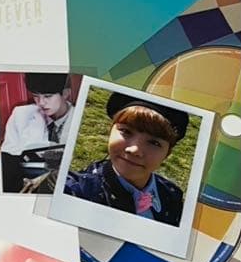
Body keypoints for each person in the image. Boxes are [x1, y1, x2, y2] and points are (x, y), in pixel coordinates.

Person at [64, 94, 188, 227]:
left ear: (167, 154)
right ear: (110, 132)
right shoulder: (76, 190)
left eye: (154, 143)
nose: (135, 150)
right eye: (126, 131)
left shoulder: (173, 194)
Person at [1, 73, 73, 154]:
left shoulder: (79, 117)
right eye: (35, 96)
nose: (41, 102)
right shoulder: (21, 114)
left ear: (66, 93)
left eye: (48, 96)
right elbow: (7, 152)